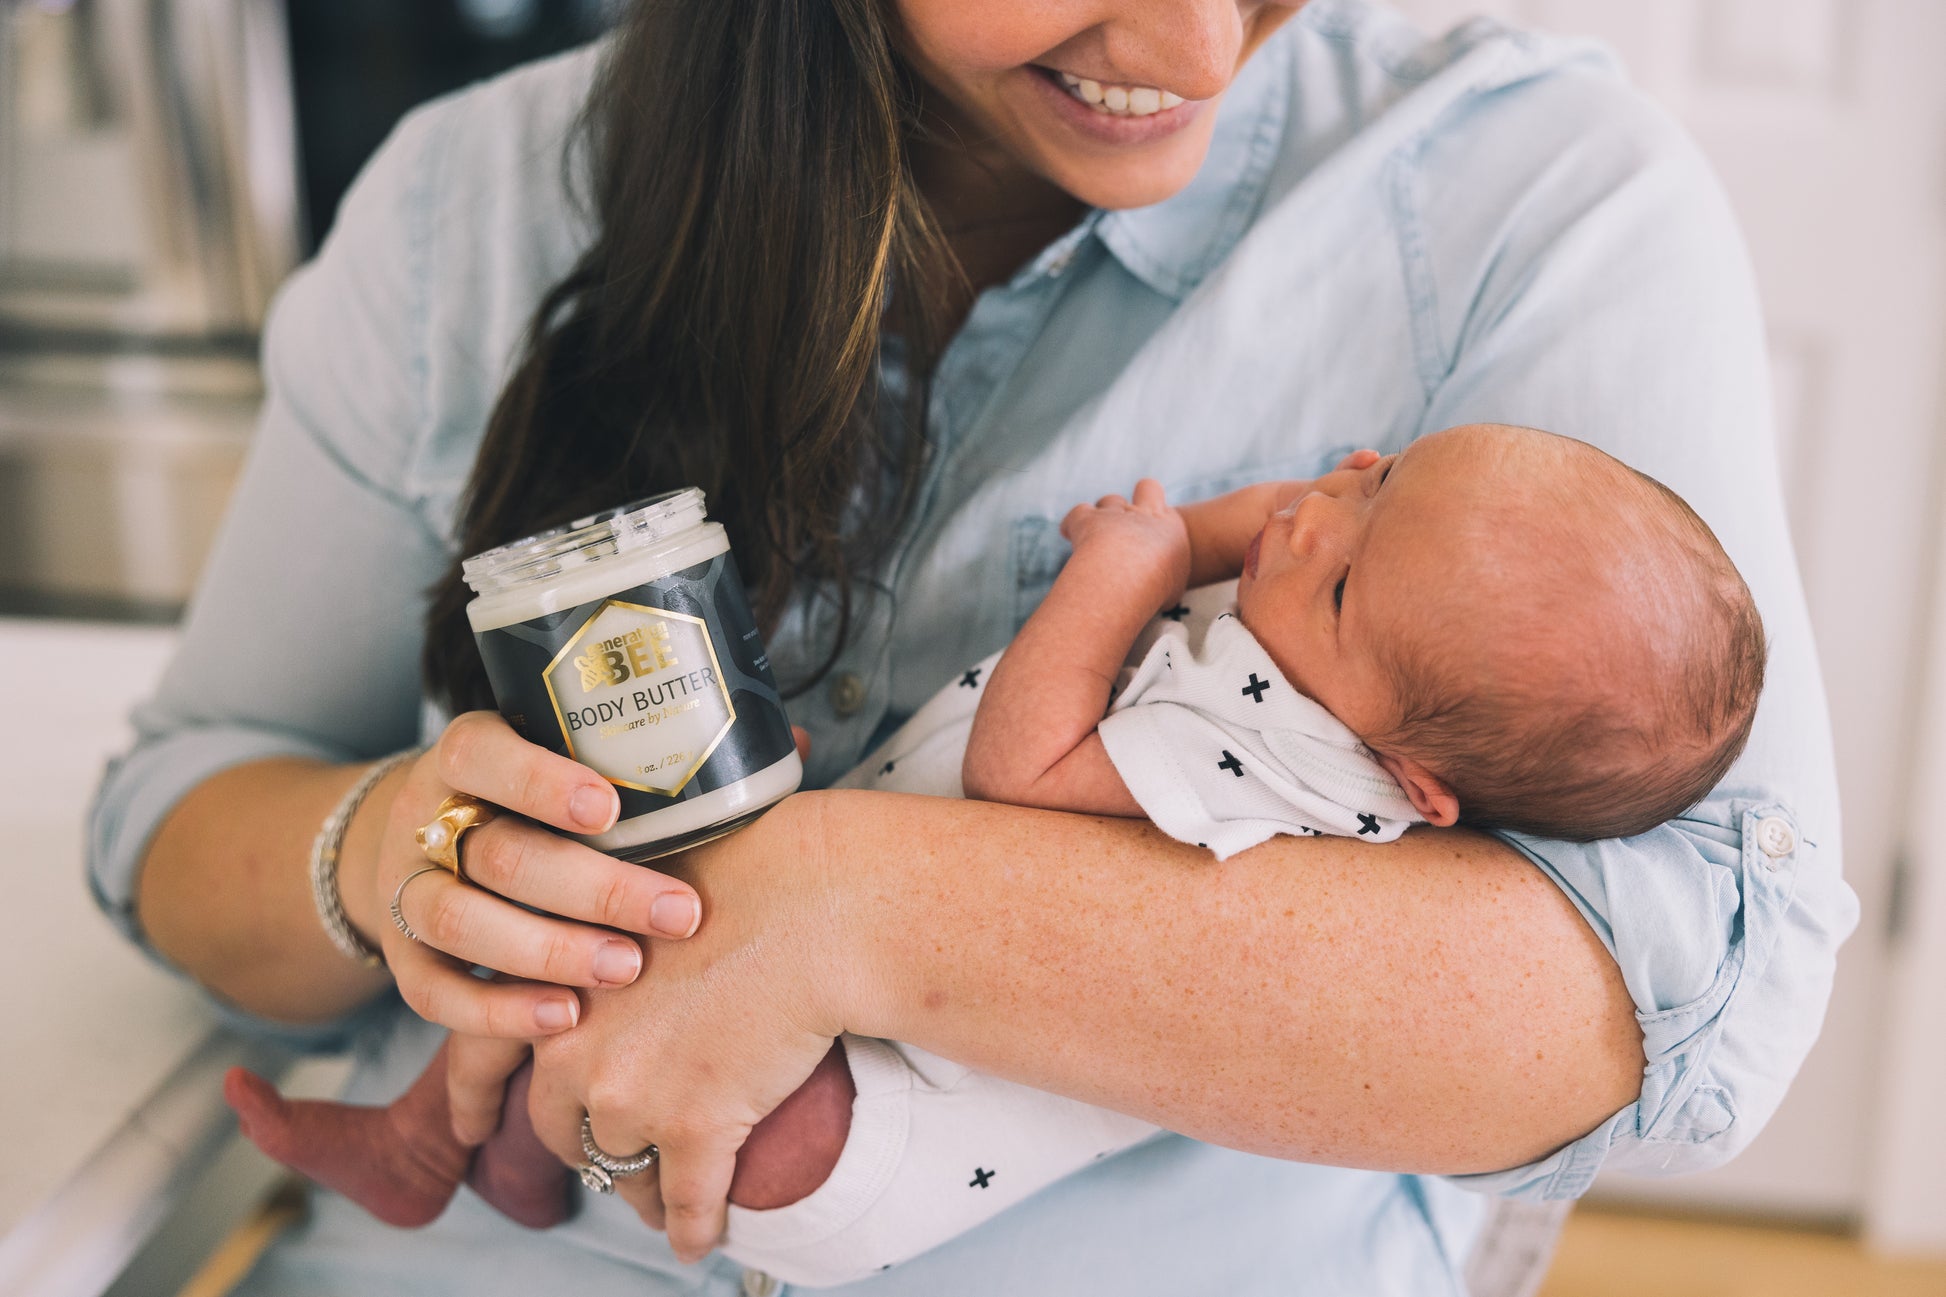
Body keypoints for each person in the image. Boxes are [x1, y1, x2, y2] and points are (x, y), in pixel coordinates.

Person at [90, 0, 1857, 1292]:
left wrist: (851, 901)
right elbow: (177, 820)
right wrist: (383, 853)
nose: (1193, 43)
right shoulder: (471, 209)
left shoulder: (1523, 198)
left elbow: (1680, 986)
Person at [218, 422, 1769, 1285]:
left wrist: (1131, 564)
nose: (1306, 521)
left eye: (1349, 572)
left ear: (1417, 785)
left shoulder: (1271, 757)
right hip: (834, 1011)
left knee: (614, 974)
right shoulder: (1335, 662)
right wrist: (1307, 528)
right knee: (566, 937)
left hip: (863, 1124)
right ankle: (444, 1144)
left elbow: (1030, 766)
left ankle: (457, 1146)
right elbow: (1296, 533)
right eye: (1375, 475)